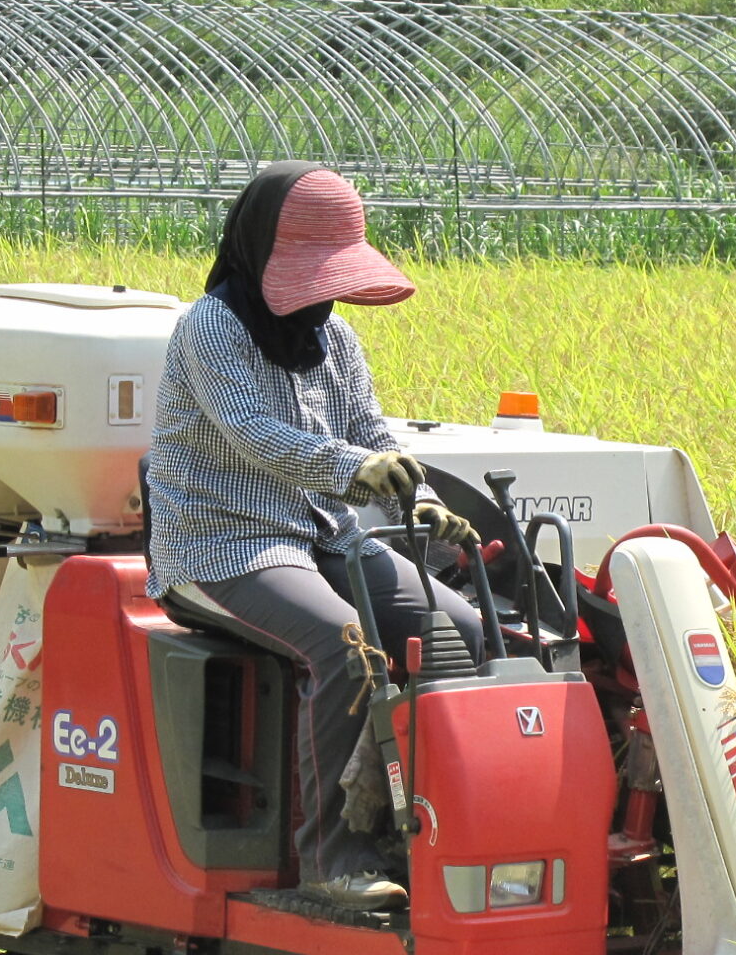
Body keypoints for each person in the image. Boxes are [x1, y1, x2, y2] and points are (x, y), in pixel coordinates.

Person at [144, 162, 485, 911]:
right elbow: (256, 436)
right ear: (260, 251)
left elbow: (370, 431)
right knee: (344, 644)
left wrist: (419, 498)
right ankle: (333, 860)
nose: (323, 296)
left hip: (327, 535)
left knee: (464, 633)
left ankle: (437, 833)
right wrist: (361, 468)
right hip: (223, 544)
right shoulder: (211, 330)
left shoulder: (336, 339)